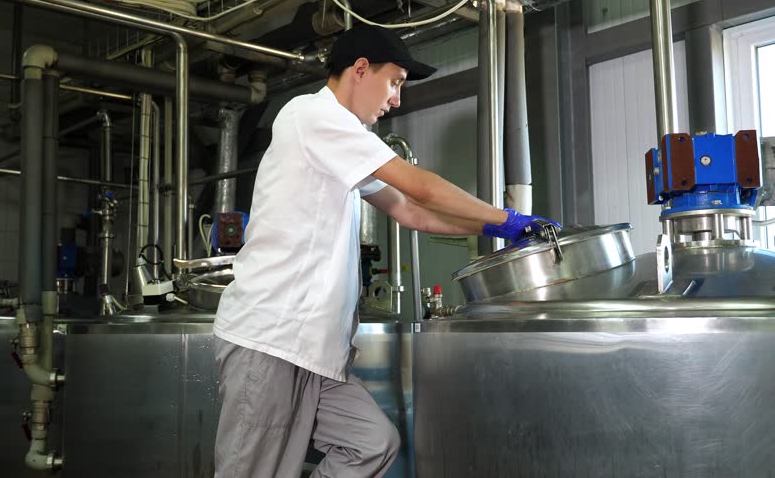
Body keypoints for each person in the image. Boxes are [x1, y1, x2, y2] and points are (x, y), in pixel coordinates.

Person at [213, 25, 560, 478]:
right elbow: (420, 187)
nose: (396, 99)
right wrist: (506, 218)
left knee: (372, 444)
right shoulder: (312, 116)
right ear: (360, 70)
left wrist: (502, 232)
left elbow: (411, 211)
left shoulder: (340, 142)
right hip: (272, 342)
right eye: (395, 81)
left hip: (315, 353)